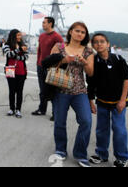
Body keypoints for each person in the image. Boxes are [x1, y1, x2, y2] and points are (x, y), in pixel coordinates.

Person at [50, 21, 94, 167]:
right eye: (77, 31)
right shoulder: (59, 47)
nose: (80, 34)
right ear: (70, 32)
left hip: (80, 91)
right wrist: (64, 59)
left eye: (83, 32)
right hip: (60, 89)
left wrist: (84, 62)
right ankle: (60, 150)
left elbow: (91, 72)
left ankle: (80, 154)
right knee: (60, 122)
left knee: (86, 121)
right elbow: (49, 64)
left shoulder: (88, 51)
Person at [88, 33, 128, 167]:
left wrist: (122, 100)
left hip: (118, 103)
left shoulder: (118, 59)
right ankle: (101, 154)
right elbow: (91, 84)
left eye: (102, 41)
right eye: (96, 42)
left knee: (119, 129)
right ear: (93, 45)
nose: (99, 44)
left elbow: (126, 80)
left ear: (108, 44)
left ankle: (123, 157)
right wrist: (91, 101)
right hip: (102, 102)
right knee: (101, 129)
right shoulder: (93, 61)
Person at [32, 17, 64, 120]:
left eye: (44, 22)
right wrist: (38, 63)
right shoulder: (41, 36)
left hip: (51, 68)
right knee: (42, 90)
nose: (42, 24)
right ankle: (42, 109)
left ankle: (55, 113)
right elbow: (39, 51)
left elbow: (62, 52)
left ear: (50, 24)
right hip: (40, 66)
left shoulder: (57, 37)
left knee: (53, 91)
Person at [3, 29, 28, 118]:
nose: (20, 37)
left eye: (20, 35)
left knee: (20, 91)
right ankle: (11, 108)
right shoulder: (7, 45)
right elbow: (8, 55)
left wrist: (16, 55)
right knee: (12, 91)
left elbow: (26, 57)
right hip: (10, 70)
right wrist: (19, 50)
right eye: (18, 35)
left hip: (21, 71)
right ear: (13, 36)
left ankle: (18, 110)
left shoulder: (24, 45)